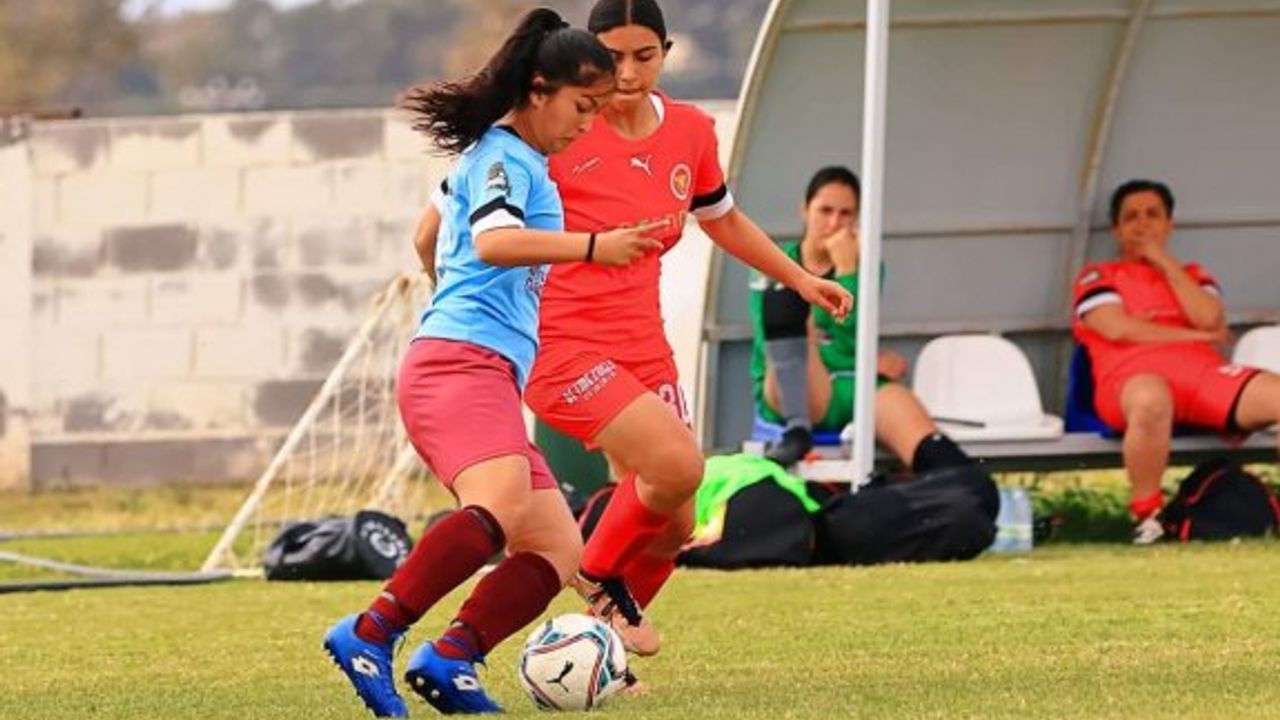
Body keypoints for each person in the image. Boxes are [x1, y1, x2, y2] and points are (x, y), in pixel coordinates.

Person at [322, 10, 663, 717]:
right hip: (459, 365)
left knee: (557, 549)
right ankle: (371, 632)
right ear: (539, 91)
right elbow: (495, 242)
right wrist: (595, 247)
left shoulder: (505, 159)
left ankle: (452, 660)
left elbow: (427, 234)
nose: (588, 124)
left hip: (480, 367)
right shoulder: (506, 157)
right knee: (500, 506)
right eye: (582, 106)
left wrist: (449, 286)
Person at [522, 0, 852, 659]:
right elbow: (479, 213)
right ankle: (596, 574)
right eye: (612, 57)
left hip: (644, 346)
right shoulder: (558, 128)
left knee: (675, 522)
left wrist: (799, 278)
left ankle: (599, 653)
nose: (627, 72)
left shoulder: (691, 131)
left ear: (666, 54)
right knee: (677, 464)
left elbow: (722, 218)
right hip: (563, 344)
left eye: (644, 56)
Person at [1073, 179, 1280, 544]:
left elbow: (1209, 318)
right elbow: (1118, 328)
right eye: (1131, 217)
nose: (1142, 224)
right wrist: (1193, 337)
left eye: (1153, 215)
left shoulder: (1194, 276)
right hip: (1130, 376)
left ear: (1169, 225)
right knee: (1150, 400)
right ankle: (1148, 518)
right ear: (1117, 229)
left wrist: (1163, 261)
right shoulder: (1098, 276)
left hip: (1202, 377)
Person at [748, 165, 972, 474]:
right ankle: (801, 431)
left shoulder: (865, 266)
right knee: (788, 308)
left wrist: (848, 271)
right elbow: (774, 344)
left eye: (846, 214)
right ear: (805, 210)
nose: (834, 223)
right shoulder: (775, 262)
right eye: (825, 211)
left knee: (918, 432)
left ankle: (962, 483)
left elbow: (853, 340)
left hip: (851, 383)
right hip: (795, 388)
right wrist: (853, 354)